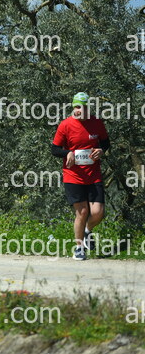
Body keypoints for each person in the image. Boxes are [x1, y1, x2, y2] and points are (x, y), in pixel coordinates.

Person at [51, 92, 110, 260]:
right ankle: (79, 248)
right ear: (73, 107)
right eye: (77, 107)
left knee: (98, 212)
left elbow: (105, 142)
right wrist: (67, 153)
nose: (79, 110)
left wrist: (101, 150)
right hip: (73, 175)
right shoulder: (65, 125)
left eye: (83, 107)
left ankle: (87, 231)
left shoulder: (96, 123)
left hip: (93, 174)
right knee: (82, 212)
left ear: (87, 108)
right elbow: (54, 149)